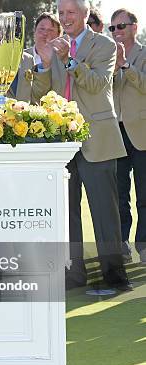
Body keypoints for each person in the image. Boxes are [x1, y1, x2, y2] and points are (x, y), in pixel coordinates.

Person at [32, 0, 132, 291]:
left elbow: (98, 84)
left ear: (85, 15)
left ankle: (115, 276)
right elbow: (42, 92)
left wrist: (67, 61)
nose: (65, 18)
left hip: (97, 138)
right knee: (67, 212)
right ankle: (73, 275)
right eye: (61, 13)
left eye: (71, 13)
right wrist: (45, 64)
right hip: (63, 140)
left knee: (104, 213)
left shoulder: (105, 46)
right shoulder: (56, 45)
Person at [111, 8, 146, 264]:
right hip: (115, 132)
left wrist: (125, 64)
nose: (117, 32)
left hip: (141, 131)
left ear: (134, 27)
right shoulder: (106, 56)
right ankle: (121, 243)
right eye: (112, 28)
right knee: (119, 193)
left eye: (121, 26)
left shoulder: (143, 53)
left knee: (144, 194)